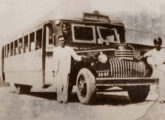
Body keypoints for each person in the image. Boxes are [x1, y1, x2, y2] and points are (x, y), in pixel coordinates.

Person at [53, 35, 82, 103]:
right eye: (60, 41)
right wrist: (54, 71)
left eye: (63, 40)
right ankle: (59, 99)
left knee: (65, 85)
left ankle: (65, 99)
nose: (61, 42)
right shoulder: (56, 50)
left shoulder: (69, 49)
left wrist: (81, 58)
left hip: (65, 70)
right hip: (58, 69)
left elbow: (76, 57)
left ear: (65, 41)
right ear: (58, 41)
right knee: (59, 85)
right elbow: (54, 60)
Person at [139, 37, 165, 103]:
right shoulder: (152, 51)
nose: (157, 45)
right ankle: (160, 98)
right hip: (157, 68)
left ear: (161, 44)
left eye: (158, 43)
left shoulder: (163, 51)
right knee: (158, 83)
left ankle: (162, 98)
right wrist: (137, 59)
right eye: (156, 43)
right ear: (154, 44)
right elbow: (144, 56)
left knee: (162, 82)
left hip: (163, 67)